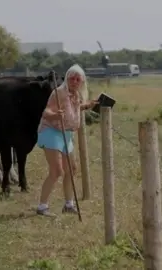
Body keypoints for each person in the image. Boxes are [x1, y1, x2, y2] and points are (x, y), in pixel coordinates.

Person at [35, 64, 98, 217]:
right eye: (72, 78)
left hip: (66, 134)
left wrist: (87, 105)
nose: (75, 81)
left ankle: (68, 204)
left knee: (72, 169)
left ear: (82, 81)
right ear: (67, 78)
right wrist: (55, 114)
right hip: (51, 132)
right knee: (57, 171)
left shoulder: (76, 94)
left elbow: (75, 107)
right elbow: (46, 111)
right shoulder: (59, 92)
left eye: (78, 79)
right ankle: (42, 207)